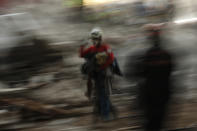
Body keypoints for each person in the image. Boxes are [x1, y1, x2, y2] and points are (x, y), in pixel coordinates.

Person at [126, 24, 174, 131]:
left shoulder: (145, 55)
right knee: (160, 121)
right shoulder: (167, 54)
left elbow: (135, 74)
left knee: (149, 122)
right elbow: (170, 71)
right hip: (163, 93)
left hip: (149, 94)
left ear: (149, 39)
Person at [79, 28, 116, 120]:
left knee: (103, 94)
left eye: (96, 39)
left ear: (100, 38)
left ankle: (106, 114)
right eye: (93, 39)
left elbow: (111, 59)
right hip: (95, 74)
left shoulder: (106, 47)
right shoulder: (92, 48)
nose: (94, 41)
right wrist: (82, 46)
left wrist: (102, 67)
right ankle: (102, 111)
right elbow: (82, 54)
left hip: (104, 74)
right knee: (97, 93)